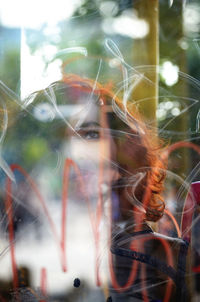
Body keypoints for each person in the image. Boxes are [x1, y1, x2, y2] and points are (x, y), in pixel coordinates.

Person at [6, 73, 191, 301]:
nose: (74, 153)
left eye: (91, 134)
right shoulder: (36, 252)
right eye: (63, 140)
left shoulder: (157, 256)